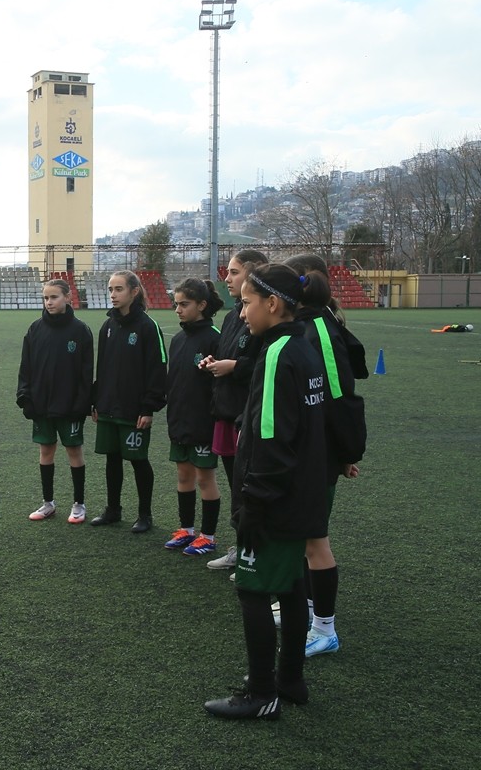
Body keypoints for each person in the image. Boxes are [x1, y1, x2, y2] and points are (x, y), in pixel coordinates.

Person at [203, 263, 328, 720]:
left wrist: (252, 504)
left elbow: (272, 439)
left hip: (275, 500)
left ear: (272, 304)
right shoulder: (304, 344)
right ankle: (291, 681)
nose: (243, 310)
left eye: (248, 301)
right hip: (301, 496)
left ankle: (261, 694)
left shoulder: (277, 354)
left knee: (255, 591)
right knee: (292, 585)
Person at [284, 254, 368, 659]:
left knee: (314, 538)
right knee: (301, 537)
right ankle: (308, 611)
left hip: (319, 455)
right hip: (305, 452)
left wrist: (344, 452)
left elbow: (339, 399)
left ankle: (325, 628)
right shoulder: (301, 327)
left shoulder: (319, 328)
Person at [199, 249, 268, 575]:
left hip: (247, 416)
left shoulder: (262, 318)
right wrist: (214, 363)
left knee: (249, 490)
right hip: (225, 412)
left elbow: (263, 365)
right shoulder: (232, 315)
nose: (227, 278)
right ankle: (242, 548)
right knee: (235, 486)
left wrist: (235, 366)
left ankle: (252, 555)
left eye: (235, 272)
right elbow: (227, 355)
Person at [90, 270, 167, 532]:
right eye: (110, 289)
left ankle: (145, 515)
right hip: (109, 405)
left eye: (119, 289)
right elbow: (103, 367)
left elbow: (157, 370)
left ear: (134, 292)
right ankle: (113, 510)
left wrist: (149, 408)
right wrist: (96, 401)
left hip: (134, 410)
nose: (113, 294)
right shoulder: (107, 326)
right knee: (112, 458)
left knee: (137, 459)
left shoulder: (148, 327)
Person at [17, 278, 94, 524]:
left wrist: (83, 403)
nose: (49, 302)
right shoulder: (35, 329)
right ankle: (48, 503)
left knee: (74, 451)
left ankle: (79, 504)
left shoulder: (80, 330)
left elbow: (86, 372)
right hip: (41, 404)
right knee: (46, 450)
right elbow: (25, 367)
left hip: (70, 405)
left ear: (68, 298)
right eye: (45, 298)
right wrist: (24, 396)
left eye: (54, 297)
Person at [162, 278, 226, 556]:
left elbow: (219, 385)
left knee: (204, 478)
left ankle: (208, 536)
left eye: (184, 304)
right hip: (179, 419)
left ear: (202, 305)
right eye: (176, 304)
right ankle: (186, 530)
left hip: (203, 421)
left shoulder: (214, 337)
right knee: (183, 474)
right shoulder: (177, 339)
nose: (178, 309)